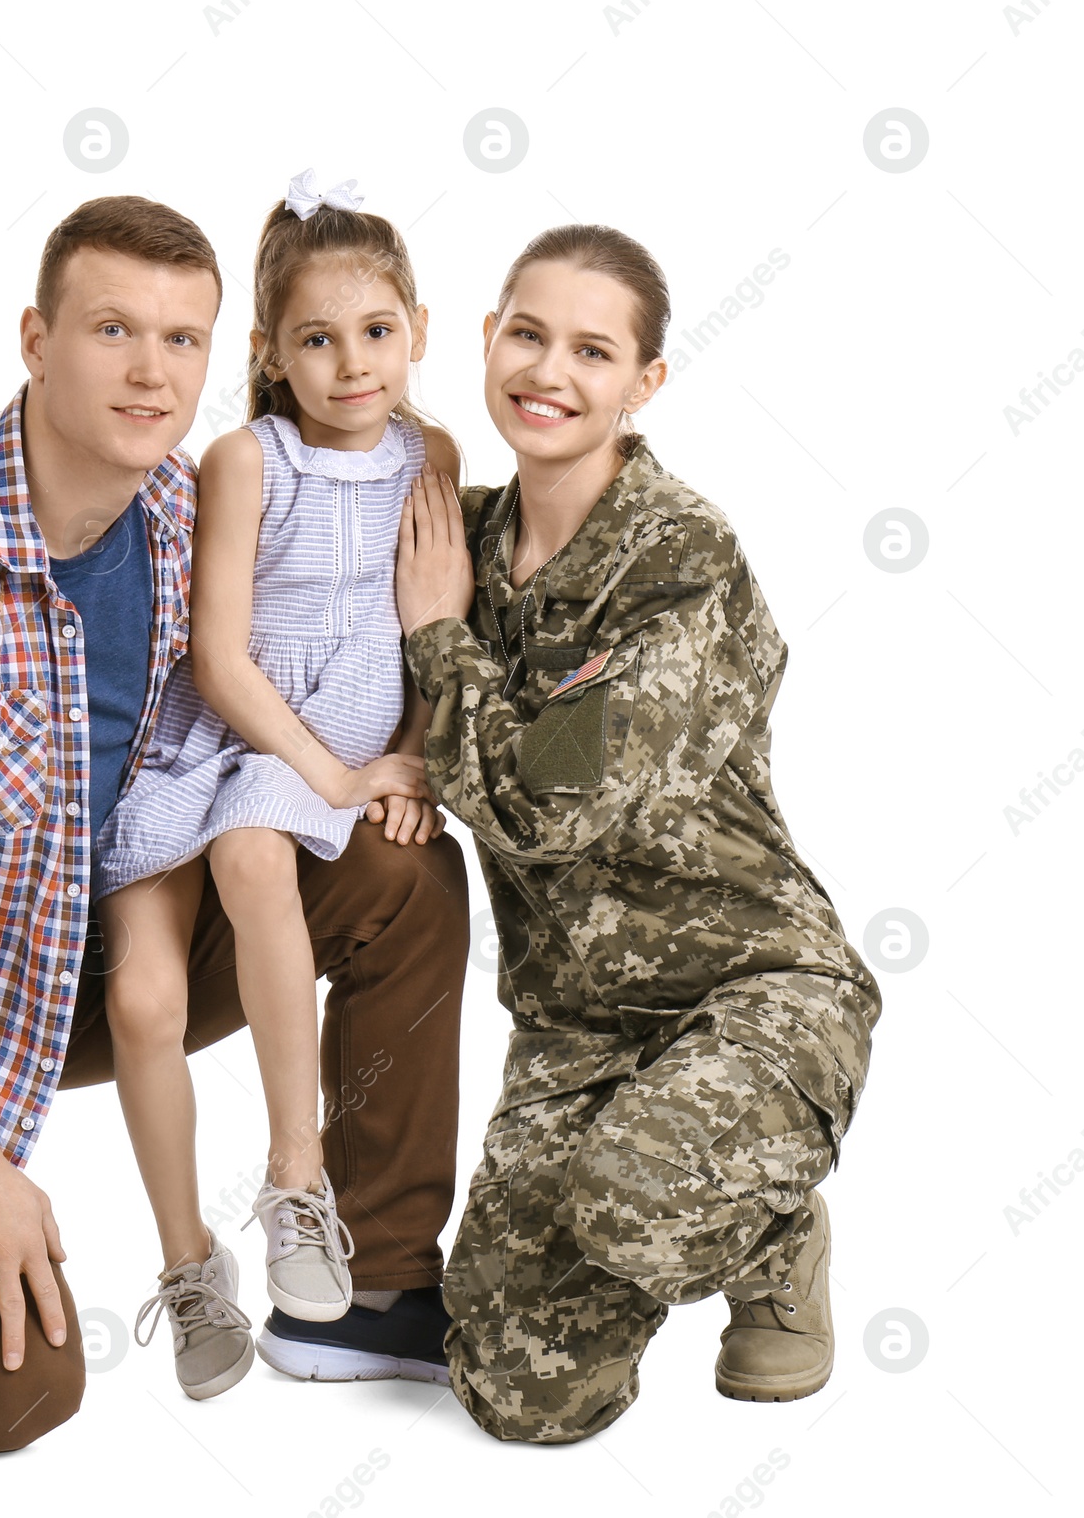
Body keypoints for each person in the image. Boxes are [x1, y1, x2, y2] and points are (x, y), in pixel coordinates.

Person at [0, 193, 468, 1455]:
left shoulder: (187, 508)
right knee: (11, 1398)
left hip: (109, 942)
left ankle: (365, 1285)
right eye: (113, 330)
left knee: (402, 867)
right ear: (35, 340)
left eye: (181, 339)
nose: (151, 372)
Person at [394, 223, 881, 1442]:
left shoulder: (678, 555)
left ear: (642, 383)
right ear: (488, 337)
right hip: (577, 1025)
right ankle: (674, 1182)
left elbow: (551, 802)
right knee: (517, 1397)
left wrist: (439, 645)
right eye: (526, 333)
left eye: (591, 350)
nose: (548, 371)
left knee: (635, 1198)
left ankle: (769, 1223)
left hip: (752, 989)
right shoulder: (461, 534)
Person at [92, 172, 461, 1400]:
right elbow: (219, 656)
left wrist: (407, 759)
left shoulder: (433, 454)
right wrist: (335, 772)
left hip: (343, 759)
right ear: (268, 353)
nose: (351, 364)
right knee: (143, 1001)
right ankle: (189, 1263)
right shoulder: (251, 460)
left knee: (266, 862)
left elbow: (432, 619)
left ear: (416, 327)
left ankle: (297, 1179)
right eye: (315, 338)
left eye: (375, 332)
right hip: (236, 743)